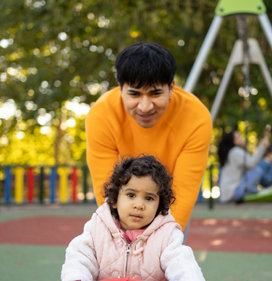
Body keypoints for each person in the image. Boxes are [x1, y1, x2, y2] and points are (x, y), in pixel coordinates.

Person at [85, 41, 212, 231]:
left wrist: (165, 236)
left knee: (168, 252)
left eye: (155, 93)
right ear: (120, 89)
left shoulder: (196, 118)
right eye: (134, 94)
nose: (145, 107)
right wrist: (119, 234)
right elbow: (107, 189)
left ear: (171, 88)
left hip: (166, 203)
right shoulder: (101, 115)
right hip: (126, 202)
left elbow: (183, 191)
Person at [55, 155, 209, 281]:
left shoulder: (167, 235)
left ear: (159, 205)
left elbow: (181, 263)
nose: (139, 205)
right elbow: (81, 256)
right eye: (131, 195)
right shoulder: (97, 228)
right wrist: (74, 278)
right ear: (115, 200)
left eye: (148, 198)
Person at [217, 129, 270, 203]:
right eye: (238, 137)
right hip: (233, 191)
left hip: (228, 191)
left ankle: (250, 190)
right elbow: (251, 163)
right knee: (257, 170)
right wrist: (262, 146)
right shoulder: (235, 152)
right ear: (234, 141)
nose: (241, 138)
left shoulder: (231, 152)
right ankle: (251, 190)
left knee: (254, 170)